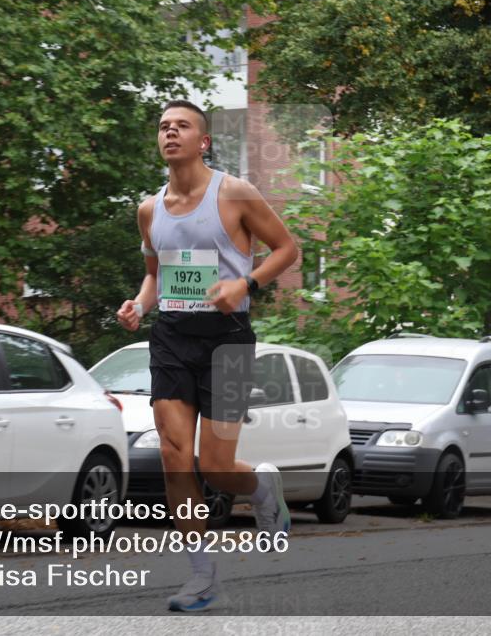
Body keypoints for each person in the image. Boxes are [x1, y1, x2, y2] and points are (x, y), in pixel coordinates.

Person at [116, 99, 299, 612]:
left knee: (217, 467)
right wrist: (138, 304)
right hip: (172, 336)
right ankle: (202, 577)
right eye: (163, 127)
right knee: (175, 457)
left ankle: (261, 488)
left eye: (182, 126)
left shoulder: (235, 193)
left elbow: (288, 249)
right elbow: (157, 271)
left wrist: (245, 283)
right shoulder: (148, 210)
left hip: (231, 338)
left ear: (204, 141)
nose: (170, 133)